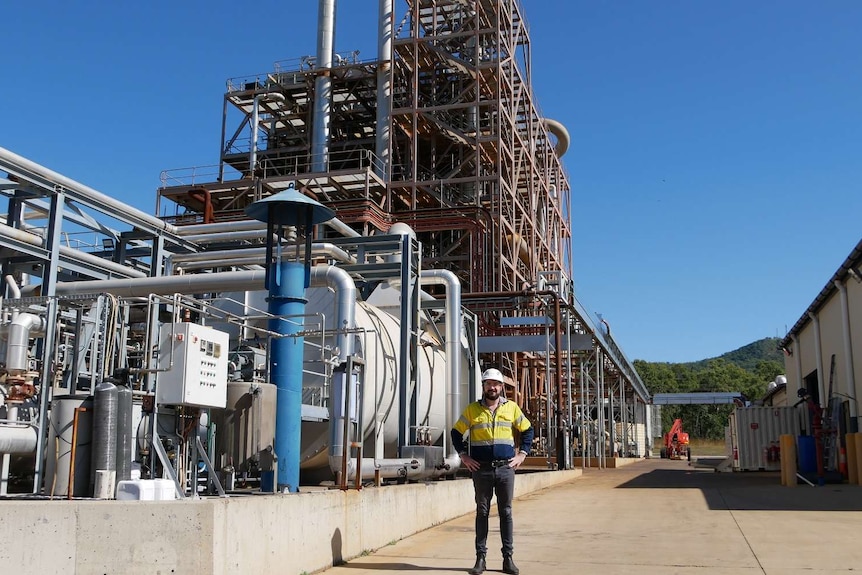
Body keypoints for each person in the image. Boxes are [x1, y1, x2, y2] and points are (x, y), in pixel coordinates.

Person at [451, 368, 534, 575]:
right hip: (482, 470)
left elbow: (527, 430)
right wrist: (464, 455)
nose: (492, 387)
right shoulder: (472, 410)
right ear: (484, 386)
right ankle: (480, 559)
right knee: (482, 512)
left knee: (506, 512)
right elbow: (456, 432)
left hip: (505, 468)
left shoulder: (512, 408)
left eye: (495, 384)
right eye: (488, 384)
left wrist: (523, 454)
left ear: (501, 387)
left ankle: (508, 559)